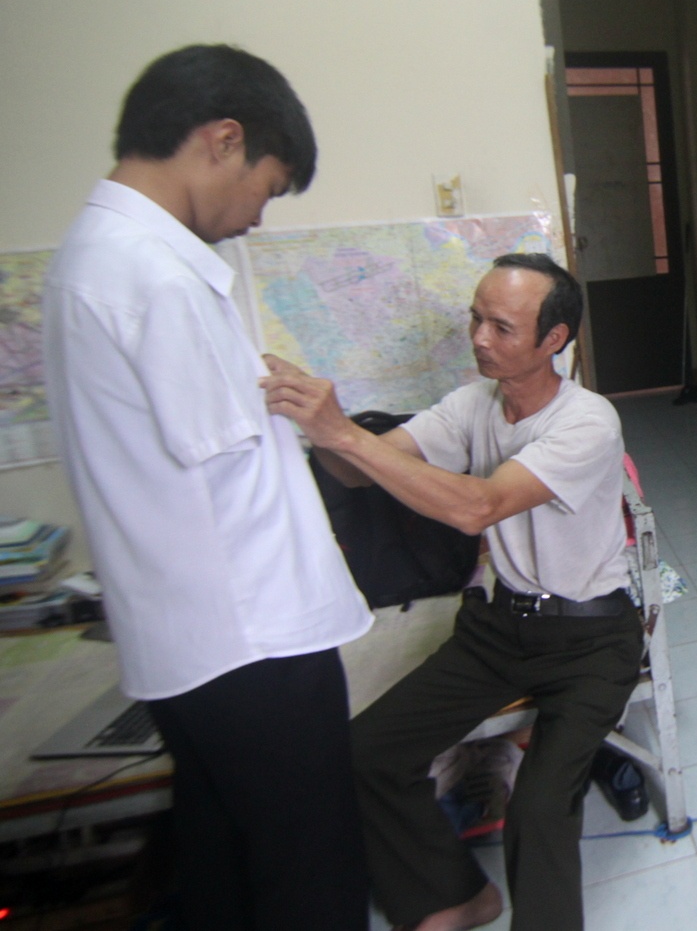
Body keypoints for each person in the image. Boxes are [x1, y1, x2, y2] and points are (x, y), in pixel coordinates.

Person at [42, 45, 374, 930]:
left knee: (221, 858)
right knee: (311, 872)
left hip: (187, 646)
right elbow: (228, 459)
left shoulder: (88, 255)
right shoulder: (156, 274)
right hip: (253, 643)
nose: (256, 218)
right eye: (267, 188)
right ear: (223, 140)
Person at [262, 253, 642, 931]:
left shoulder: (589, 421)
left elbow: (478, 507)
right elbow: (356, 474)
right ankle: (455, 896)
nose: (479, 338)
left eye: (501, 326)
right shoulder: (473, 404)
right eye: (475, 318)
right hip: (499, 628)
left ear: (554, 339)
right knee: (367, 753)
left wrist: (345, 431)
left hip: (591, 637)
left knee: (539, 807)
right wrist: (323, 432)